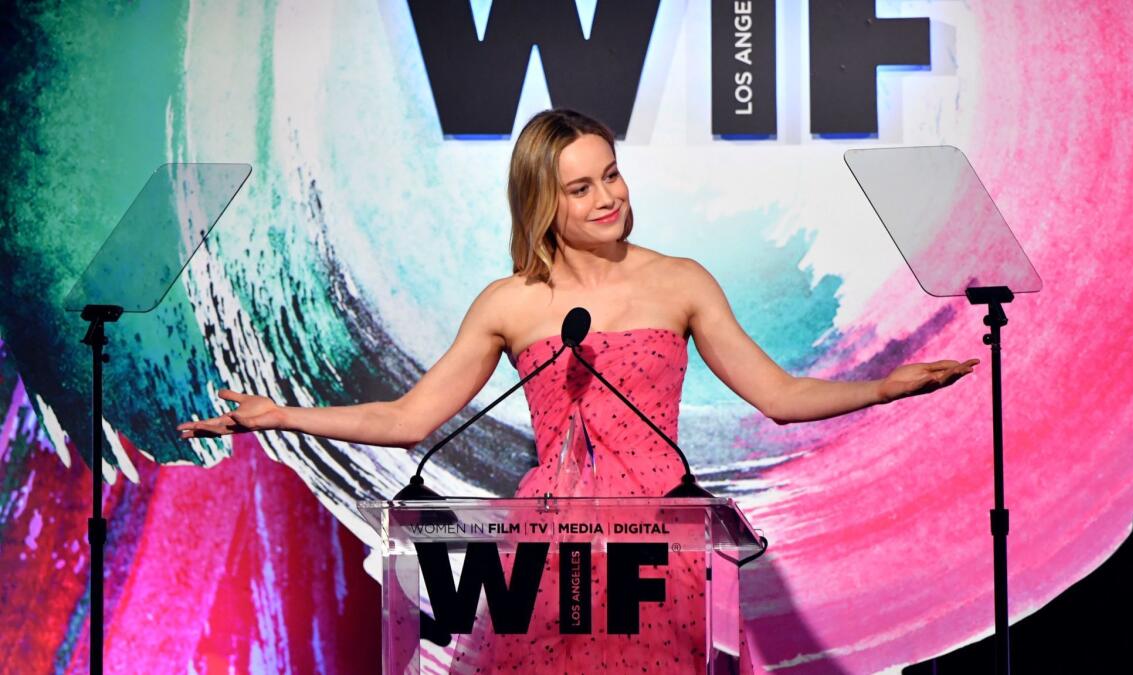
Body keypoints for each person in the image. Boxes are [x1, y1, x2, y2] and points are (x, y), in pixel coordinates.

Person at [178, 108, 977, 672]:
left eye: (612, 175)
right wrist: (280, 415)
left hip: (660, 547)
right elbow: (409, 417)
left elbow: (778, 393)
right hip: (548, 552)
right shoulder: (511, 302)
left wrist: (882, 388)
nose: (609, 198)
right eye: (582, 187)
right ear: (541, 202)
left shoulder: (680, 281)